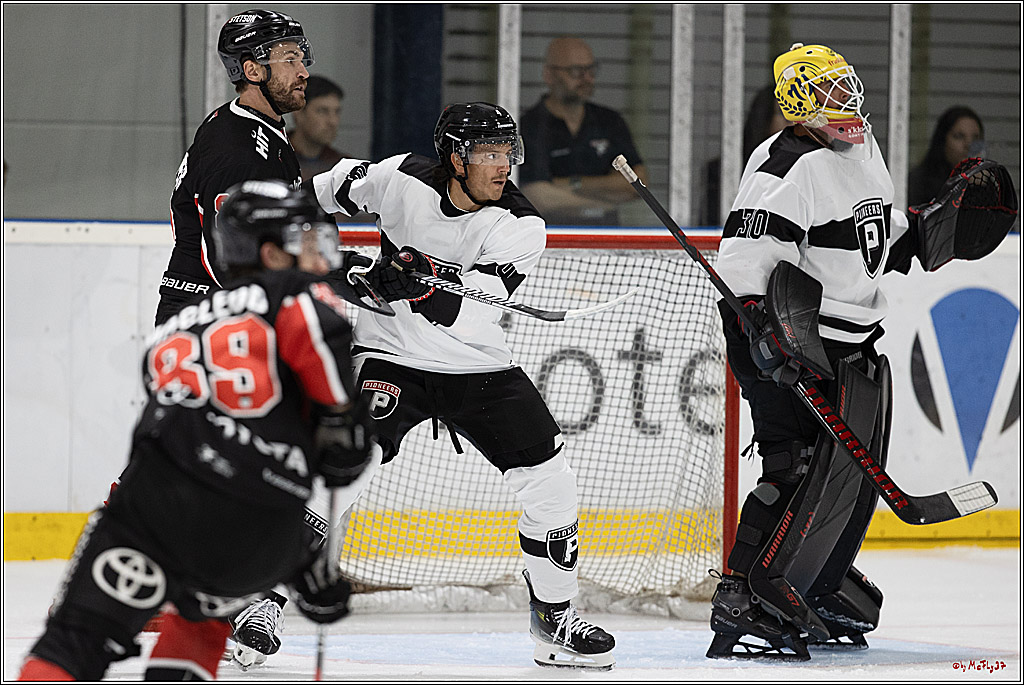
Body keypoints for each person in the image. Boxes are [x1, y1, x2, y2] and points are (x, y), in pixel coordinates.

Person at [17, 180, 374, 681]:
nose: (321, 257)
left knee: (73, 641)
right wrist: (307, 565)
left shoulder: (175, 327)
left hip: (147, 506)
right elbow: (343, 447)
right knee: (201, 622)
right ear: (272, 254)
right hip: (249, 528)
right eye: (307, 242)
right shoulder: (305, 303)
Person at [303, 101, 616, 670]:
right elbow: (307, 198)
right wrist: (339, 265)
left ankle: (555, 619)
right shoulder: (397, 177)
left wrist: (414, 285)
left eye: (508, 154)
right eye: (490, 155)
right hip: (391, 356)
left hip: (476, 364)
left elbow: (474, 312)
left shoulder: (520, 224)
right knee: (337, 474)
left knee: (552, 486)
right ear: (454, 156)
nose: (503, 167)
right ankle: (262, 605)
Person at [707, 42, 920, 661]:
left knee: (843, 478)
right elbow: (745, 267)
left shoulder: (861, 148)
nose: (844, 100)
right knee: (794, 465)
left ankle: (812, 580)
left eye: (845, 84)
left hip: (850, 348)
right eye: (826, 93)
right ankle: (742, 594)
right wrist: (772, 341)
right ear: (797, 105)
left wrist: (927, 228)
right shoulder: (785, 162)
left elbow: (871, 233)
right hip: (786, 340)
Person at [156, 8, 312, 327]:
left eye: (301, 58)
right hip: (208, 313)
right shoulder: (238, 150)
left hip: (214, 306)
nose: (303, 72)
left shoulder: (247, 125)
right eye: (289, 60)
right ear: (253, 70)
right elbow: (227, 254)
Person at [518, 36, 647, 226]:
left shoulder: (609, 121)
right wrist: (603, 205)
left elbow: (638, 183)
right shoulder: (529, 126)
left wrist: (572, 184)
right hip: (550, 237)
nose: (587, 78)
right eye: (576, 71)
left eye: (591, 69)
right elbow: (537, 196)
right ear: (549, 75)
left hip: (607, 238)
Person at [701, 85, 789, 226]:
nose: (794, 121)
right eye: (785, 114)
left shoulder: (808, 167)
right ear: (764, 118)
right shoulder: (724, 172)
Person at [907, 106, 985, 206]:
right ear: (943, 141)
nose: (968, 145)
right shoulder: (918, 185)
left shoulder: (985, 184)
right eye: (959, 137)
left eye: (976, 138)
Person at [288, 74, 350, 179]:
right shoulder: (275, 158)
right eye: (322, 111)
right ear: (298, 112)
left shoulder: (343, 168)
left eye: (337, 112)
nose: (333, 121)